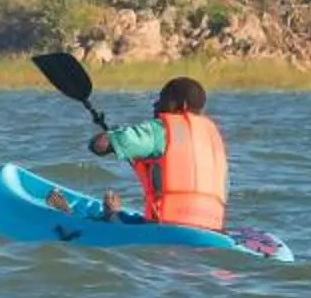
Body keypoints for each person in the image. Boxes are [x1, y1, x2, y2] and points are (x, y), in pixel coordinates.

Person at [89, 75, 229, 230]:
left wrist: (112, 136)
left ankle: (110, 216)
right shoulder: (213, 138)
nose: (156, 104)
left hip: (166, 228)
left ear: (182, 105)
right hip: (212, 228)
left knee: (109, 218)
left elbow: (98, 146)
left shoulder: (161, 130)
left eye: (163, 99)